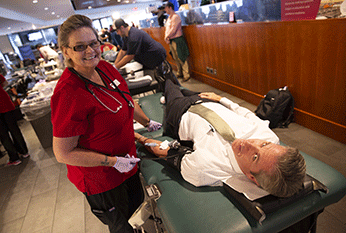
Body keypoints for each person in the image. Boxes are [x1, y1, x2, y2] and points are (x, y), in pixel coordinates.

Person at [51, 14, 162, 232]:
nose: (90, 51)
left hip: (128, 162)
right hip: (103, 179)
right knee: (123, 226)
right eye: (80, 47)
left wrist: (147, 123)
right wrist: (112, 162)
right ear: (66, 51)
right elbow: (62, 153)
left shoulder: (104, 68)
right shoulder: (68, 93)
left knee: (138, 214)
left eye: (93, 43)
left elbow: (126, 100)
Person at [135, 79, 306, 198]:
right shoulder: (271, 137)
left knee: (170, 85)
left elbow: (166, 150)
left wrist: (139, 138)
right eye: (263, 144)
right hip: (211, 102)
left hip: (180, 113)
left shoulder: (205, 169)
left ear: (252, 178)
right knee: (186, 90)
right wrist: (222, 99)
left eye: (255, 157)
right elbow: (247, 114)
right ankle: (176, 88)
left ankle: (166, 83)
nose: (249, 143)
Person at [0, 74, 29, 166]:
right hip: (5, 102)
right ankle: (23, 151)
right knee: (14, 129)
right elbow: (5, 83)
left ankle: (14, 158)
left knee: (3, 134)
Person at [164, 2, 191, 81]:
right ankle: (180, 72)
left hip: (177, 40)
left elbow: (173, 29)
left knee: (181, 56)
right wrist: (167, 37)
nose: (165, 10)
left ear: (170, 8)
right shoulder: (169, 18)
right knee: (175, 57)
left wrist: (167, 36)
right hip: (171, 40)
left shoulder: (176, 17)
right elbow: (167, 29)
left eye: (166, 8)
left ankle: (186, 74)